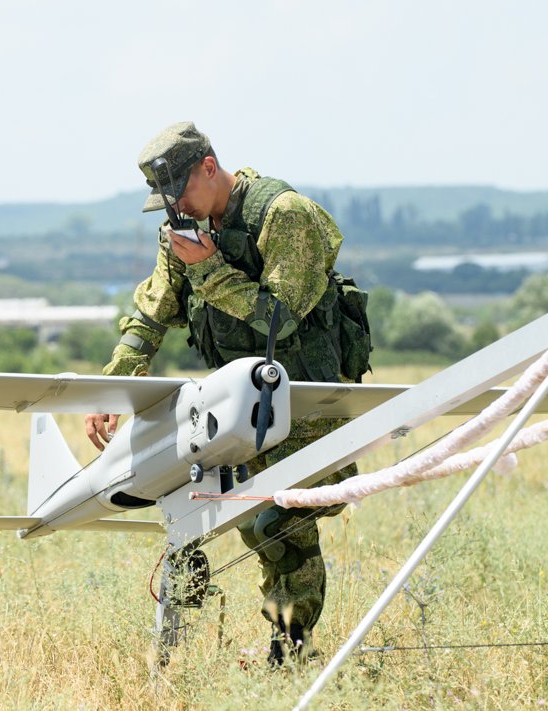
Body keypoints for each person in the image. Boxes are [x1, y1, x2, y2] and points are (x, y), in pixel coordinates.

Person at [85, 121, 369, 666]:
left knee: (279, 524)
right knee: (190, 509)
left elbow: (278, 321)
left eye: (181, 192)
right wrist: (115, 383)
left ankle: (289, 656)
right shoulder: (182, 230)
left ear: (209, 167)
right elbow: (151, 313)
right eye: (166, 200)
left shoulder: (284, 216)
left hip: (308, 408)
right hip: (237, 413)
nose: (177, 208)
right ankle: (183, 648)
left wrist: (209, 269)